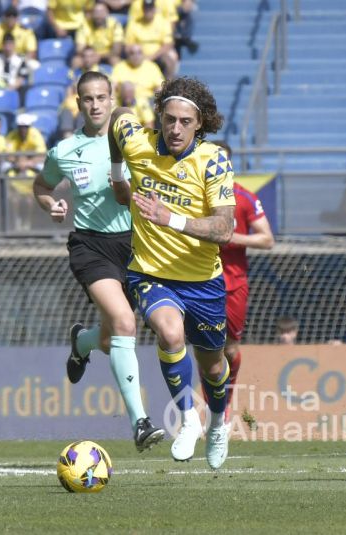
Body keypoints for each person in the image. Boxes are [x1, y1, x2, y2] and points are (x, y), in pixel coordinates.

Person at [32, 71, 165, 452]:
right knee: (125, 322)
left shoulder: (138, 142)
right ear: (78, 103)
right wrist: (51, 204)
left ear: (111, 100)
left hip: (136, 245)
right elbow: (41, 186)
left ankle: (82, 342)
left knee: (109, 338)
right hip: (90, 246)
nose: (95, 105)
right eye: (87, 99)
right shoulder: (64, 151)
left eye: (101, 97)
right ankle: (140, 423)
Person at [107, 76, 236, 469]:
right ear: (160, 117)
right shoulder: (138, 143)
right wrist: (118, 175)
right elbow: (118, 116)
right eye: (169, 119)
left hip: (203, 281)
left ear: (200, 124)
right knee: (169, 332)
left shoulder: (213, 160)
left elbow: (224, 229)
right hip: (151, 273)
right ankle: (188, 418)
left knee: (213, 367)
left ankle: (218, 423)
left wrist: (171, 219)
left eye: (185, 121)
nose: (175, 128)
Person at [205, 140, 274, 422]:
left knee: (230, 349)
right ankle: (211, 409)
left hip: (233, 284)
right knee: (205, 348)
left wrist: (229, 236)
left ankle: (225, 403)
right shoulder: (194, 195)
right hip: (200, 281)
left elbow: (267, 239)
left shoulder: (244, 198)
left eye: (222, 162)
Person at [124, 0, 178, 78]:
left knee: (169, 62)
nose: (148, 11)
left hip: (158, 53)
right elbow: (128, 44)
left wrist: (152, 56)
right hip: (139, 53)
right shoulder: (134, 23)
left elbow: (168, 44)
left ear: (154, 9)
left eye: (150, 9)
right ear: (142, 10)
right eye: (146, 9)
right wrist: (138, 54)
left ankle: (168, 84)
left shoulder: (163, 22)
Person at [74, 2, 124, 66]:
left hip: (108, 55)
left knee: (115, 60)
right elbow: (79, 49)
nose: (99, 15)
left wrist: (100, 56)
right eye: (96, 12)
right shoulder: (85, 25)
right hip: (90, 55)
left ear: (107, 13)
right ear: (92, 14)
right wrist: (91, 56)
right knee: (77, 60)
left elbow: (117, 50)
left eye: (101, 11)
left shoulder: (115, 24)